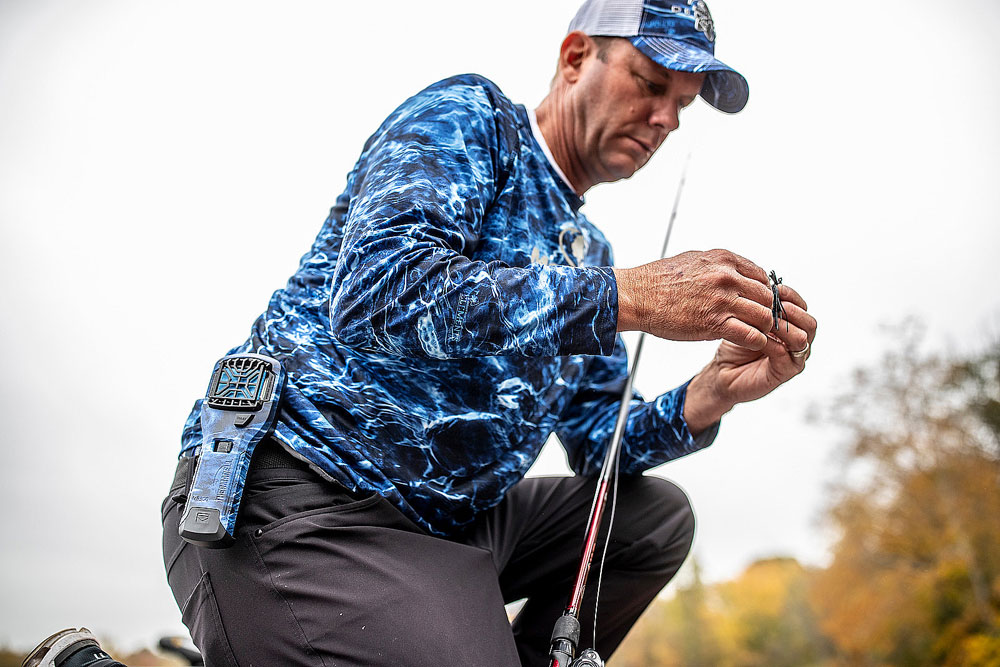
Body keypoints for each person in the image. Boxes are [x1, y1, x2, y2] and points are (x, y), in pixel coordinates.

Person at [24, 1, 817, 666]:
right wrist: (629, 297)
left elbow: (603, 443)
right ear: (576, 56)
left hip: (443, 527)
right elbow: (378, 296)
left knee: (654, 518)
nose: (665, 118)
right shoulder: (469, 120)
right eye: (650, 83)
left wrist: (714, 393)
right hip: (297, 494)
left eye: (681, 105)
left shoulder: (590, 256)